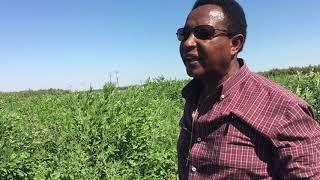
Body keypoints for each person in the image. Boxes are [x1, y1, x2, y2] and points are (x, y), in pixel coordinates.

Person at [176, 0, 320, 179]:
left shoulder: (285, 110)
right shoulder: (194, 97)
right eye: (184, 34)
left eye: (203, 33)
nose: (188, 43)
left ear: (234, 44)